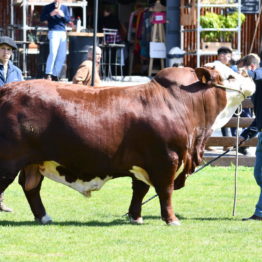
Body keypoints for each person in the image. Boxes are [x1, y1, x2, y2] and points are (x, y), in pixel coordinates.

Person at [0, 35, 24, 212]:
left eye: (8, 50)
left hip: (9, 123)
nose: (5, 52)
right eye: (2, 49)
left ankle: (0, 200)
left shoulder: (17, 72)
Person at [239, 54, 262, 221]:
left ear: (251, 67)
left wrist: (250, 75)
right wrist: (245, 135)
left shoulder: (258, 76)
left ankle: (260, 213)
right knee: (258, 175)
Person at [40, 0, 70, 81]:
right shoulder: (48, 7)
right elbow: (42, 18)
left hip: (63, 32)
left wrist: (63, 15)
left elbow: (68, 20)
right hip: (53, 31)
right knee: (53, 52)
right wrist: (51, 14)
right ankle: (48, 73)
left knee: (62, 55)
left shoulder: (65, 7)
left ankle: (55, 74)